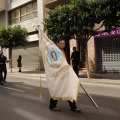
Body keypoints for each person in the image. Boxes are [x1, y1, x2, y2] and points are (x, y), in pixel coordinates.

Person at [49, 39, 81, 112]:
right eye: (61, 43)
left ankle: (73, 107)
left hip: (65, 73)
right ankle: (52, 105)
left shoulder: (64, 51)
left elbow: (65, 62)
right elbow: (54, 62)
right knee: (57, 89)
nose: (62, 45)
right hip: (58, 74)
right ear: (57, 44)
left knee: (68, 89)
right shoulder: (55, 52)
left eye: (63, 43)